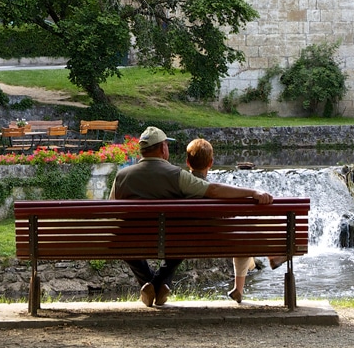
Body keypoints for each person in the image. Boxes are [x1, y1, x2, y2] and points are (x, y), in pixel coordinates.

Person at [110, 126, 274, 307]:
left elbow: (111, 210)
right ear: (163, 148)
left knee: (126, 239)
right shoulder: (175, 175)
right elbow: (213, 189)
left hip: (131, 241)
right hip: (171, 240)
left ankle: (149, 284)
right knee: (183, 237)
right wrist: (252, 192)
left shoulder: (121, 176)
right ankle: (158, 283)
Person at [185, 137, 256, 303]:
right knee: (245, 243)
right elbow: (228, 218)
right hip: (218, 242)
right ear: (211, 163)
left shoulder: (181, 188)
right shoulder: (217, 193)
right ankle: (238, 288)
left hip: (182, 241)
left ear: (187, 162)